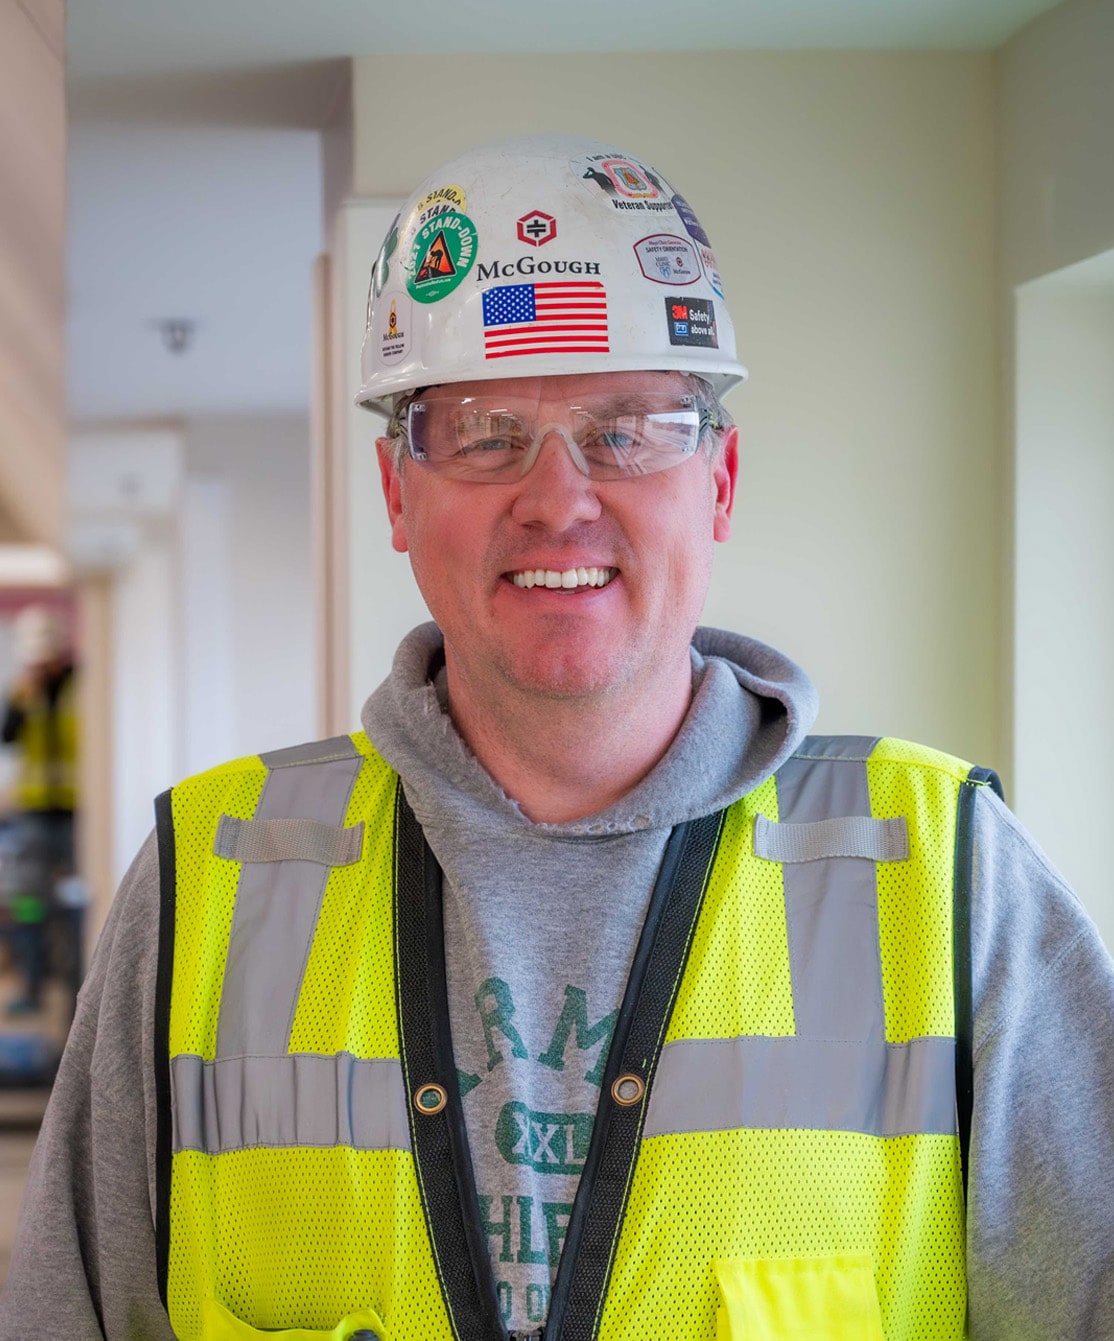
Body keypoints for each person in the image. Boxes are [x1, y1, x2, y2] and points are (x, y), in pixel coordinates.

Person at [3, 134, 1113, 1341]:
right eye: (484, 433)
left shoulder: (945, 874)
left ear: (721, 482)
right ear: (395, 495)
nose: (558, 497)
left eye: (626, 427)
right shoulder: (210, 881)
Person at [0, 604, 78, 1015]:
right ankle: (32, 986)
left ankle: (76, 989)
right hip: (33, 815)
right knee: (29, 904)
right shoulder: (22, 691)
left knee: (74, 904)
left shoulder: (80, 685)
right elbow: (7, 736)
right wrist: (25, 695)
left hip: (75, 815)